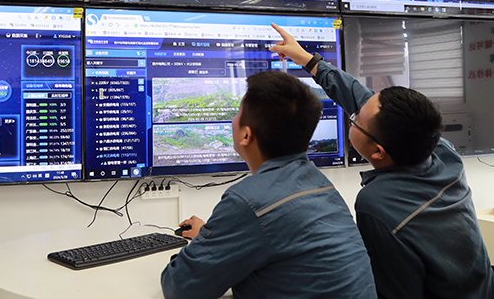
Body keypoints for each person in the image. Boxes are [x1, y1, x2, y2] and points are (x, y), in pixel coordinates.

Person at [269, 23, 494, 299]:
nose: (354, 114)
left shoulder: (377, 205)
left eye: (355, 119)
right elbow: (360, 97)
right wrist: (309, 60)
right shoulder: (444, 154)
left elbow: (391, 291)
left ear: (378, 152)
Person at [160, 71, 377, 299]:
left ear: (246, 135)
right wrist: (216, 238)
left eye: (237, 113)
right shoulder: (321, 185)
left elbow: (180, 288)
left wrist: (205, 244)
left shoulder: (248, 201)